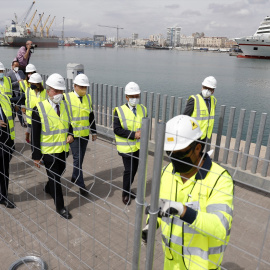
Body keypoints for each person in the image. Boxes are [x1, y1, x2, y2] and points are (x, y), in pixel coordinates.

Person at [142, 115, 234, 270]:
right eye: (170, 153)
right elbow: (162, 207)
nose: (174, 159)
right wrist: (151, 224)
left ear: (198, 147)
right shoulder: (167, 172)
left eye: (180, 153)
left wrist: (184, 211)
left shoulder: (219, 180)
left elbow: (221, 227)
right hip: (171, 264)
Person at [31, 73, 74, 219]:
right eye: (55, 91)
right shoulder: (39, 109)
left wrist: (71, 134)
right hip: (48, 152)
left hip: (62, 150)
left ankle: (48, 188)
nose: (58, 94)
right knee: (56, 179)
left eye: (61, 91)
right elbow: (35, 135)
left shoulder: (65, 106)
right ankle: (60, 207)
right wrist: (36, 156)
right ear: (48, 91)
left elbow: (69, 124)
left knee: (61, 170)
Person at [113, 82, 147, 205]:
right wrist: (134, 134)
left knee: (134, 169)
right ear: (126, 97)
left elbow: (145, 125)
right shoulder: (119, 111)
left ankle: (127, 189)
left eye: (137, 96)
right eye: (132, 96)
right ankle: (125, 193)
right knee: (129, 170)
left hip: (138, 147)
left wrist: (143, 132)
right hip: (126, 147)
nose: (135, 99)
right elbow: (117, 129)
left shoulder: (143, 109)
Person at [64, 74, 97, 196]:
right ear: (75, 86)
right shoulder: (66, 98)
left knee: (80, 159)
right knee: (77, 159)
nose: (84, 89)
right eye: (81, 87)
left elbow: (91, 115)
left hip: (84, 134)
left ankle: (74, 175)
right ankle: (81, 185)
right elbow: (65, 117)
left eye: (85, 87)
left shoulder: (88, 98)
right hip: (73, 136)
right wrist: (69, 133)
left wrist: (93, 131)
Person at [183, 76, 217, 150]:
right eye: (205, 87)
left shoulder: (213, 100)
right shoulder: (194, 99)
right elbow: (185, 117)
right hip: (193, 135)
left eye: (209, 89)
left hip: (204, 135)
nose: (207, 90)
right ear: (202, 87)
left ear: (213, 91)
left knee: (198, 155)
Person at [0, 92, 16, 208]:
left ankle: (3, 196)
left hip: (6, 141)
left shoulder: (4, 97)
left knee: (5, 170)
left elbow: (10, 118)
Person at [25, 73, 46, 143]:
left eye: (33, 83)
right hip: (31, 118)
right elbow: (22, 99)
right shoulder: (28, 91)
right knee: (34, 138)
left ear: (38, 84)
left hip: (42, 119)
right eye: (31, 83)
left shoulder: (45, 93)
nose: (31, 85)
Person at [6, 60, 26, 127]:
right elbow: (8, 84)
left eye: (18, 66)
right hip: (14, 93)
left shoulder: (21, 72)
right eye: (15, 66)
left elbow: (25, 79)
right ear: (12, 66)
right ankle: (22, 123)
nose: (17, 67)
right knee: (18, 109)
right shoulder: (9, 74)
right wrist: (17, 82)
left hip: (21, 92)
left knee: (17, 108)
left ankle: (12, 120)